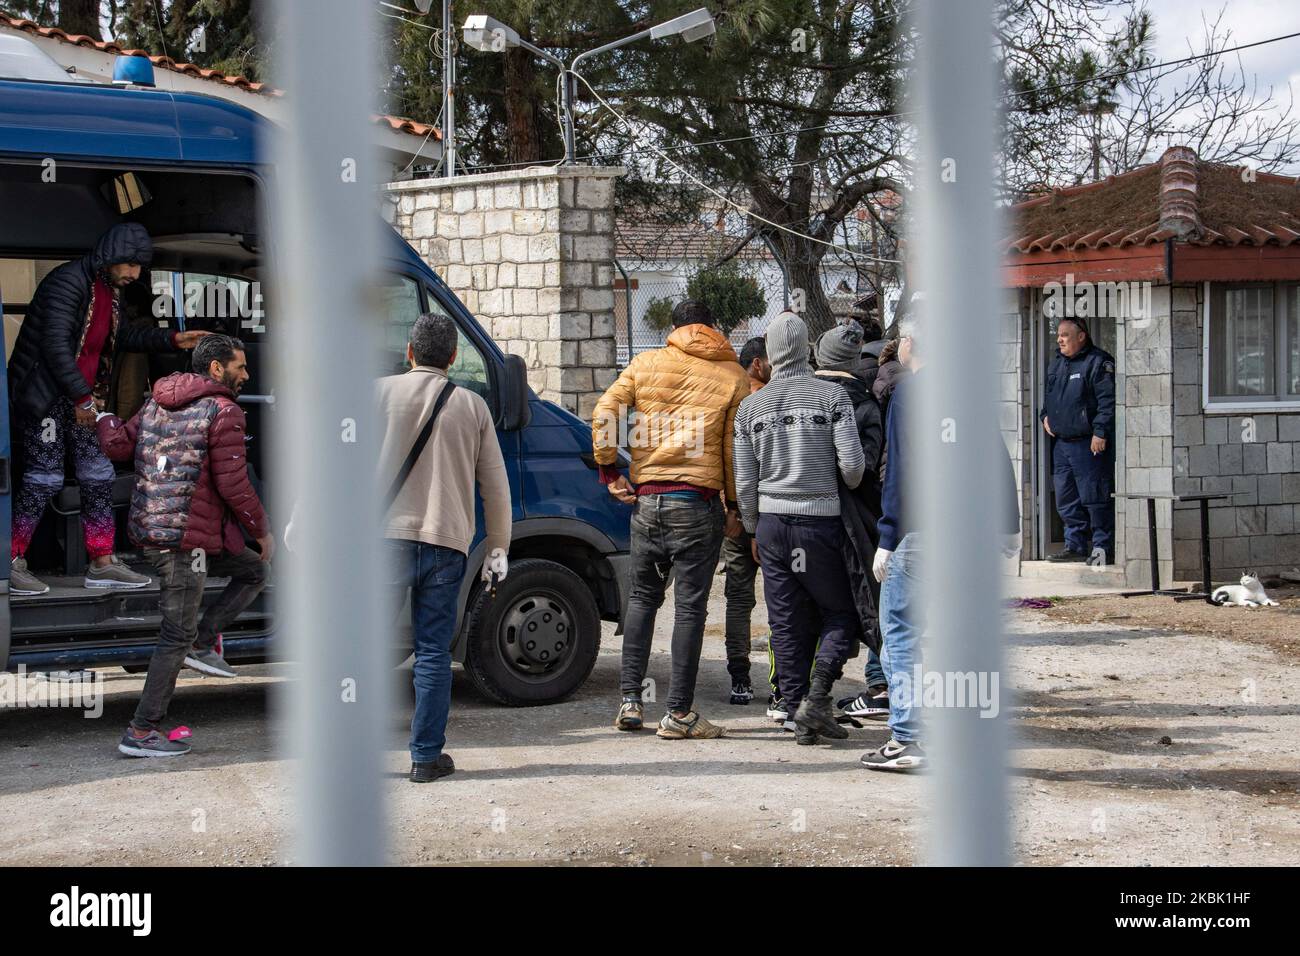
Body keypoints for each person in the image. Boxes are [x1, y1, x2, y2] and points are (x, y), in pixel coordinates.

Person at [8, 223, 208, 595]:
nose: (134, 274)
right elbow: (54, 348)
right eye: (130, 265)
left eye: (138, 267)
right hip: (47, 398)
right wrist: (84, 399)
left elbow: (124, 337)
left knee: (97, 473)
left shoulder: (107, 290)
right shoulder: (67, 283)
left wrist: (172, 338)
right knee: (44, 477)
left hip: (80, 399)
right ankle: (11, 559)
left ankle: (101, 561)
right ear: (109, 256)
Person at [97, 335, 271, 758]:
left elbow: (117, 444)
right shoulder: (224, 410)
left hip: (158, 531)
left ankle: (203, 640)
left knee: (253, 570)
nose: (246, 374)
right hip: (183, 542)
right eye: (240, 366)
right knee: (175, 633)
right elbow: (234, 484)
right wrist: (262, 531)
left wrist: (103, 415)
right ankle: (141, 730)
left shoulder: (157, 401)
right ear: (216, 369)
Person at [593, 299, 750, 740]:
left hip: (647, 502)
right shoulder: (734, 376)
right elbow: (733, 450)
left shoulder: (645, 363)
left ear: (674, 327)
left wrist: (610, 470)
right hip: (696, 505)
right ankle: (679, 713)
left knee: (643, 599)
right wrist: (735, 506)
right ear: (713, 327)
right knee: (690, 609)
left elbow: (606, 409)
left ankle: (630, 701)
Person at [377, 312, 512, 783]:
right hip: (445, 543)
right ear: (453, 358)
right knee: (433, 651)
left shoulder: (375, 394)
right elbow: (495, 486)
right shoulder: (472, 407)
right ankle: (426, 757)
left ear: (409, 353)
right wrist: (498, 547)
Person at [734, 312, 865, 745]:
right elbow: (852, 469)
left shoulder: (750, 407)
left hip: (771, 528)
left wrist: (752, 529)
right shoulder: (832, 398)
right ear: (807, 347)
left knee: (785, 621)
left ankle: (793, 711)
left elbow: (745, 481)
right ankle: (819, 696)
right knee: (841, 612)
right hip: (819, 523)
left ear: (770, 353)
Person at [812, 321, 889, 722]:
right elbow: (863, 468)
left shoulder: (803, 399)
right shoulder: (863, 401)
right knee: (867, 602)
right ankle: (878, 685)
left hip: (803, 517)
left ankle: (801, 694)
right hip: (857, 520)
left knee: (814, 608)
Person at [863, 318, 925, 771]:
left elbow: (901, 469)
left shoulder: (910, 393)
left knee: (900, 631)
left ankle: (907, 737)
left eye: (902, 338)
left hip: (918, 533)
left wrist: (887, 535)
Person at [1040, 316, 1116, 564]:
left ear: (1081, 336)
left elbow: (1107, 401)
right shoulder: (1058, 363)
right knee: (1065, 498)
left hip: (1088, 443)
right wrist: (1045, 416)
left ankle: (1102, 548)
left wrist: (1100, 432)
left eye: (1065, 335)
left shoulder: (1098, 361)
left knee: (1094, 498)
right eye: (1058, 335)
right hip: (1062, 443)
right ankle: (1075, 545)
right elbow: (1049, 397)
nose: (1059, 339)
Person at [721, 335, 770, 706]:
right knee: (782, 599)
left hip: (737, 515)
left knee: (738, 599)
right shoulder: (761, 402)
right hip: (768, 514)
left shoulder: (728, 397)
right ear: (757, 364)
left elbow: (722, 458)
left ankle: (740, 677)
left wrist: (731, 510)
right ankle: (783, 681)